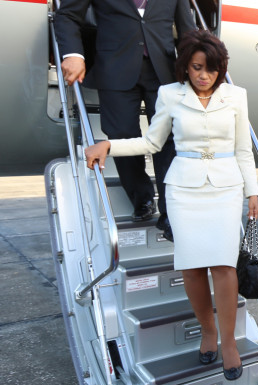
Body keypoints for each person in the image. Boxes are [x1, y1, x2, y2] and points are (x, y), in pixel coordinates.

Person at [84, 30, 258, 381]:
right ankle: (207, 330)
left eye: (211, 68)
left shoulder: (236, 96)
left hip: (226, 188)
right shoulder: (170, 94)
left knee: (224, 267)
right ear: (186, 66)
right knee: (192, 268)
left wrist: (252, 192)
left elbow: (242, 149)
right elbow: (152, 142)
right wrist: (110, 146)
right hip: (183, 189)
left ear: (221, 68)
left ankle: (228, 342)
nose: (203, 75)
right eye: (196, 67)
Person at [55, 0, 195, 239]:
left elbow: (187, 28)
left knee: (169, 139)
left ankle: (171, 212)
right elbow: (67, 15)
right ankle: (141, 197)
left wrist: (197, 64)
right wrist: (73, 54)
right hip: (114, 68)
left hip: (163, 70)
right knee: (121, 134)